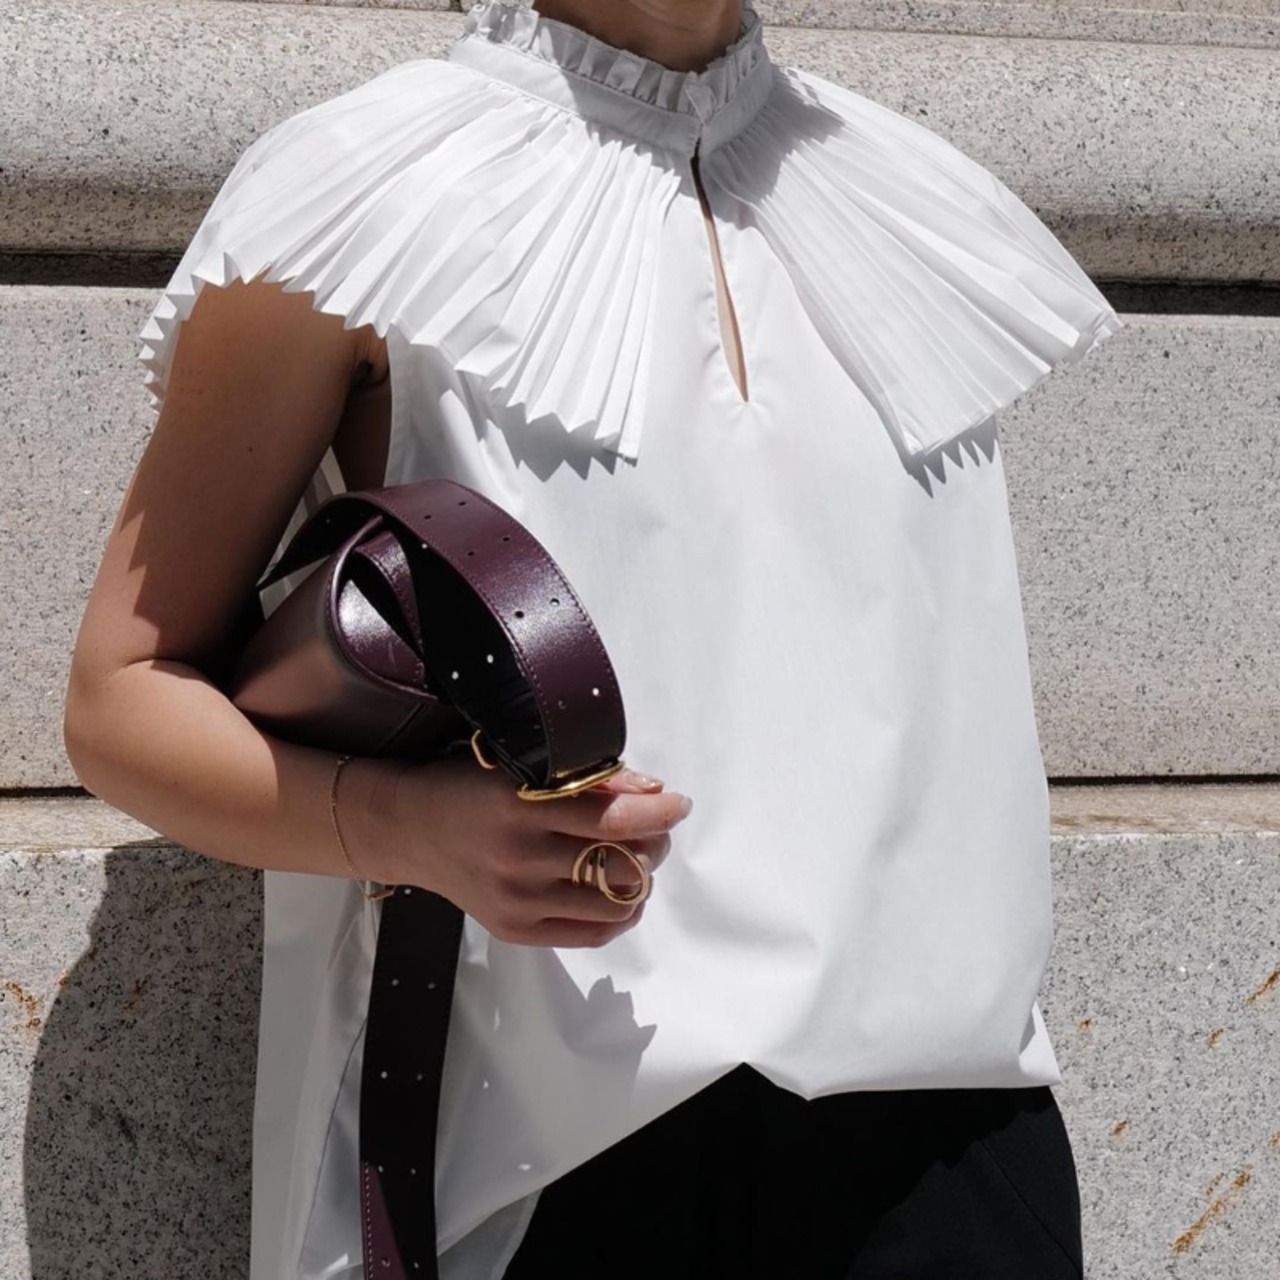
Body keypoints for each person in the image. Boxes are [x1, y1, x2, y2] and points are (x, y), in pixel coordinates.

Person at [63, 0, 1120, 1276]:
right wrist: (415, 829)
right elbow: (124, 698)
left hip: (957, 1133)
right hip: (558, 1155)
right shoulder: (360, 189)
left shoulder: (904, 191)